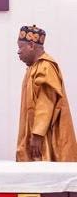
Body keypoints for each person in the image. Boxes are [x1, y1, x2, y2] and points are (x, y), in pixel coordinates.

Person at [16, 25, 77, 161]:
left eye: (20, 47)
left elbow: (46, 103)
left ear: (31, 45)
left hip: (43, 137)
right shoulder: (33, 68)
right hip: (35, 133)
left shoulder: (45, 67)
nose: (18, 52)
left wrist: (37, 135)